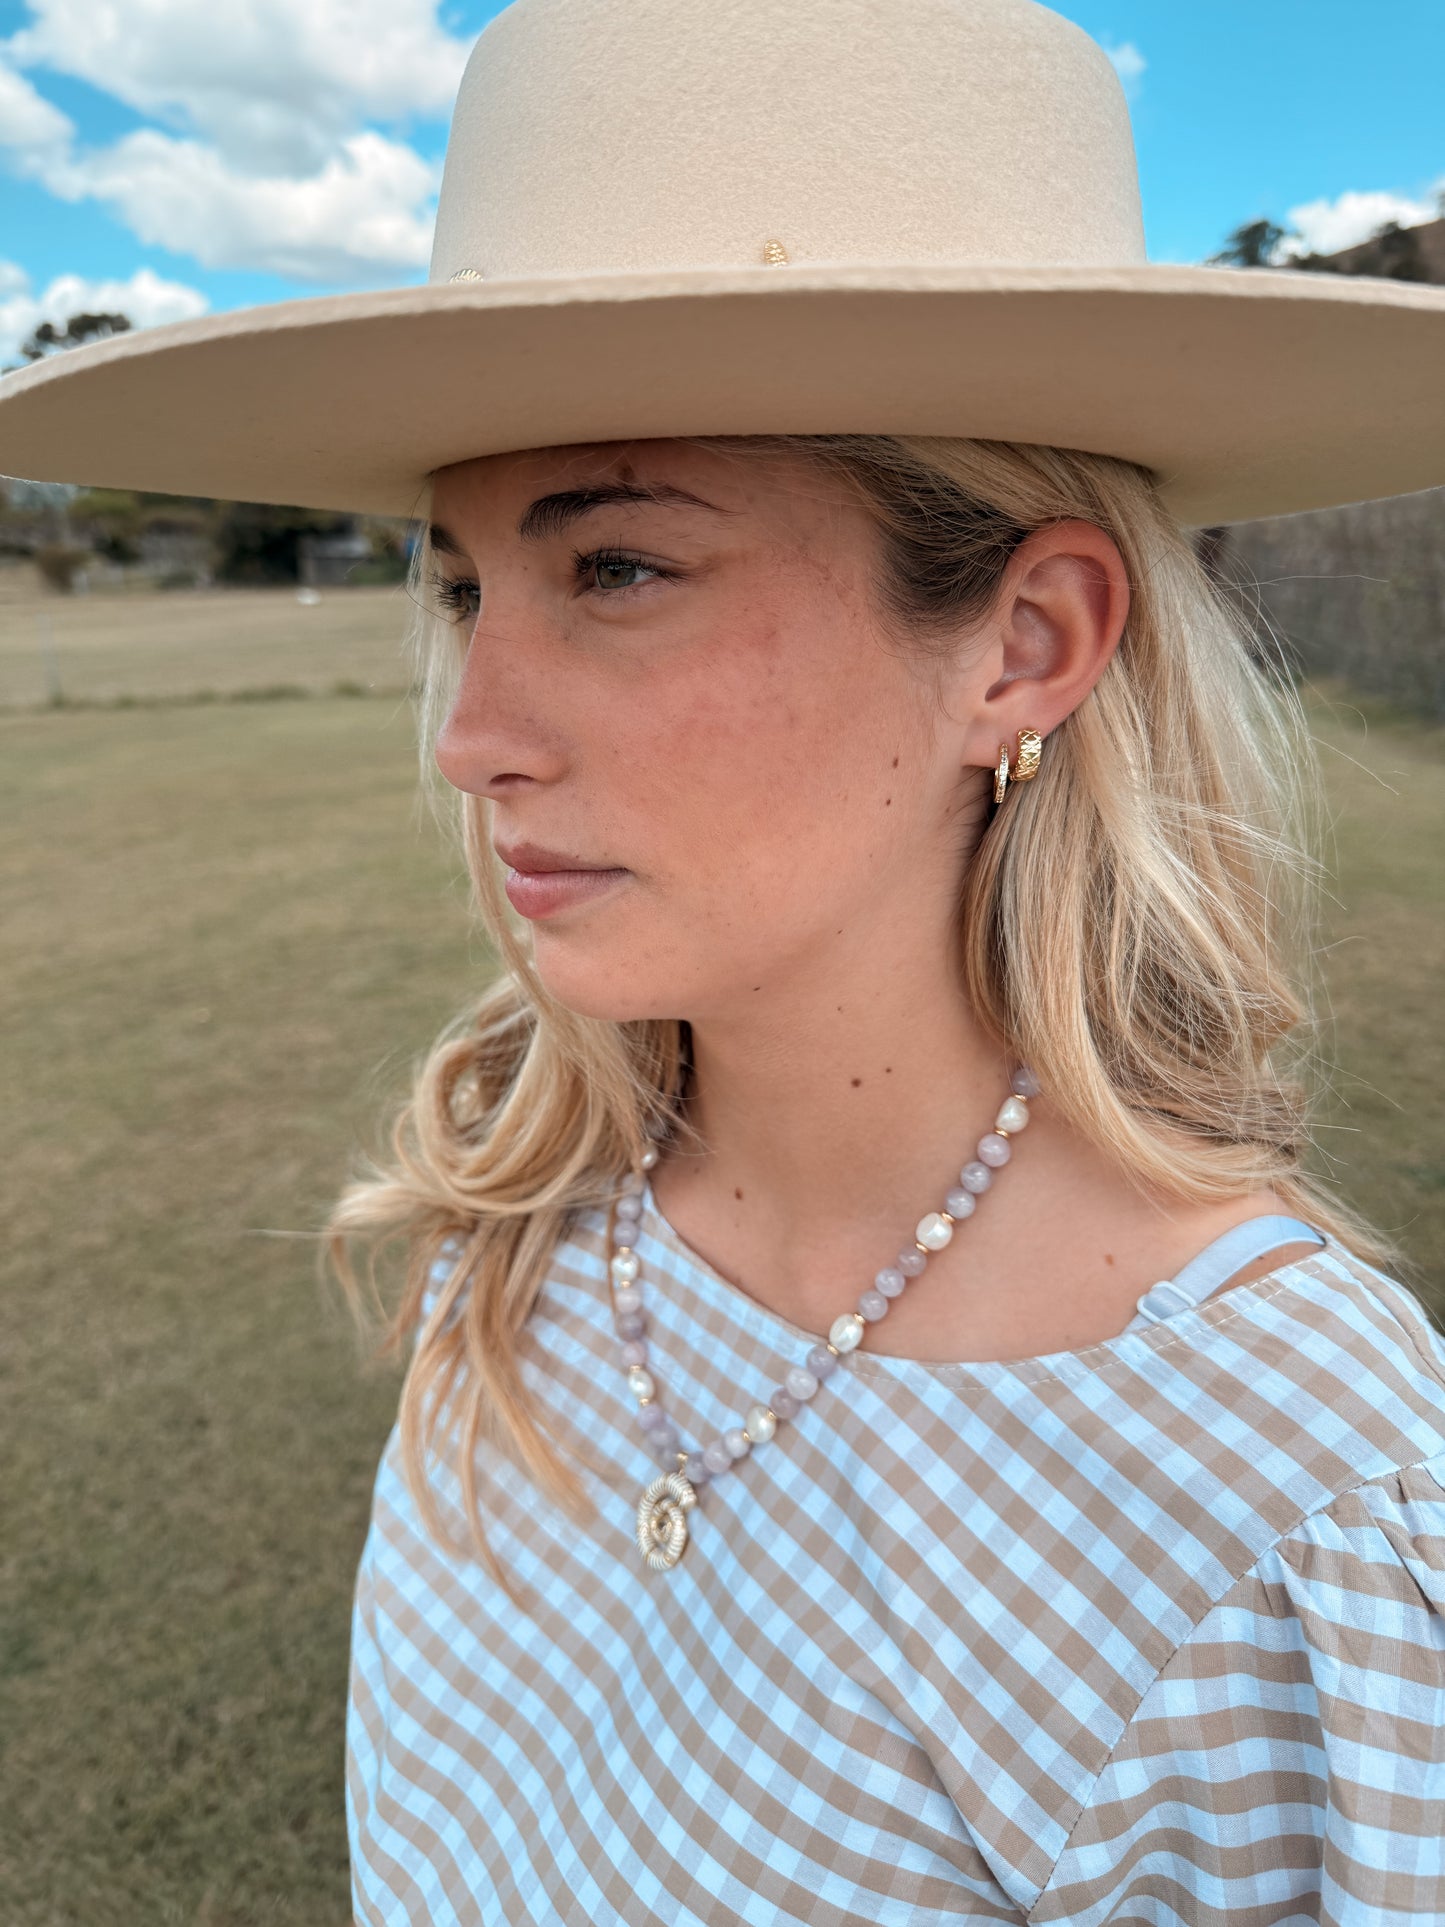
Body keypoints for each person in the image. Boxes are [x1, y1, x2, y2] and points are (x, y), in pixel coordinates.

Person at [4, 1, 1443, 1921]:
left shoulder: (1283, 1501)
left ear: (1023, 645)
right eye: (464, 588)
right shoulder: (521, 1222)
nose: (469, 734)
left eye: (614, 568)